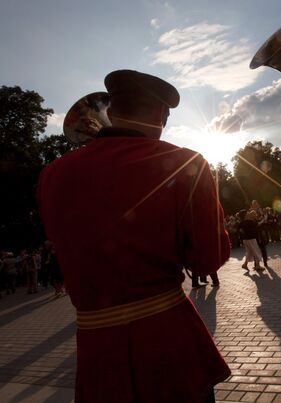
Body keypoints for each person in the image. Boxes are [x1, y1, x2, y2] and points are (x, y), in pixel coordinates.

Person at [37, 70, 230, 402]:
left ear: (110, 111)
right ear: (161, 115)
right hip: (170, 346)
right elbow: (207, 259)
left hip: (97, 351)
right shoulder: (184, 162)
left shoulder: (50, 175)